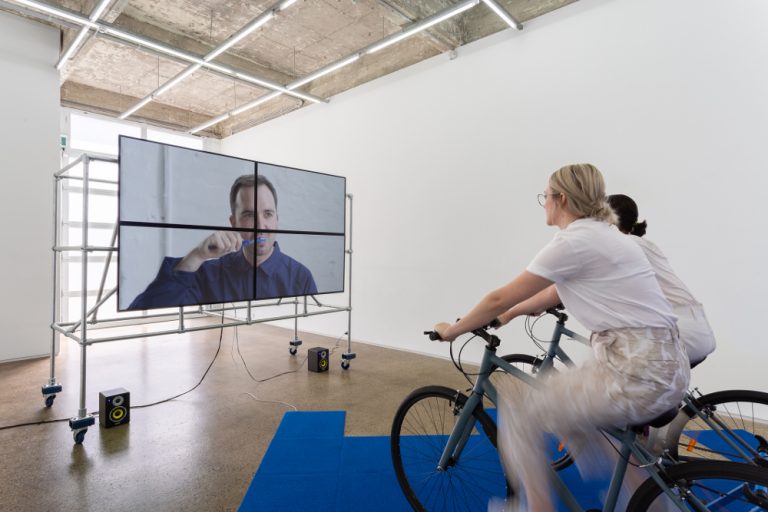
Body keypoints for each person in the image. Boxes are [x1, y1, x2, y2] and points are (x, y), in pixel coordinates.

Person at [433, 164, 690, 511]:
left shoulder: (574, 242)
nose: (544, 203)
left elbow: (498, 298)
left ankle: (537, 508)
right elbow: (551, 291)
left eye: (546, 196)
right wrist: (509, 315)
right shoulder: (610, 235)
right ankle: (649, 503)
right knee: (593, 418)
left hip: (635, 374)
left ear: (562, 199)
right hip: (670, 368)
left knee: (520, 414)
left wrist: (452, 331)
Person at [129, 174, 317, 309]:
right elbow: (147, 311)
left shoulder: (301, 278)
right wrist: (197, 255)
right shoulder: (209, 275)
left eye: (268, 214)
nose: (261, 226)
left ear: (277, 219)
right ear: (233, 223)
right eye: (249, 215)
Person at [608, 194, 716, 366]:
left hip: (679, 331)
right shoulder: (642, 244)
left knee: (606, 372)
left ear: (610, 219)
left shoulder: (624, 244)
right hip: (693, 327)